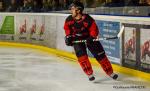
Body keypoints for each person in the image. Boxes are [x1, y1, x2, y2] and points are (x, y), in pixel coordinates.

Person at [63, 1, 118, 81]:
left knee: (101, 56)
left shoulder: (88, 19)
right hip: (77, 38)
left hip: (90, 38)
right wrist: (68, 37)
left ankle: (110, 72)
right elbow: (67, 28)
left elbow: (94, 30)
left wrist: (92, 37)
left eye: (72, 9)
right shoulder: (69, 19)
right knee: (82, 57)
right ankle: (89, 73)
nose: (71, 10)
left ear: (78, 10)